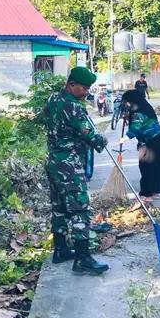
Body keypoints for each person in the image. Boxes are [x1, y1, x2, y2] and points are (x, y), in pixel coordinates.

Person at [43, 66, 109, 275]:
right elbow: (88, 135)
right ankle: (83, 259)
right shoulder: (74, 107)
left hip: (53, 160)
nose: (86, 92)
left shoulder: (53, 99)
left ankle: (61, 249)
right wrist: (101, 140)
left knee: (59, 207)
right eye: (83, 88)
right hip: (69, 165)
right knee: (80, 207)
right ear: (71, 85)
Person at [120, 89, 160, 201]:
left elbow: (135, 129)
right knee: (156, 166)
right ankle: (155, 192)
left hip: (152, 141)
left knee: (146, 166)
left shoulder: (137, 112)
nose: (126, 105)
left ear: (132, 101)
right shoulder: (144, 107)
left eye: (127, 102)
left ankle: (146, 195)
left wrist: (124, 138)